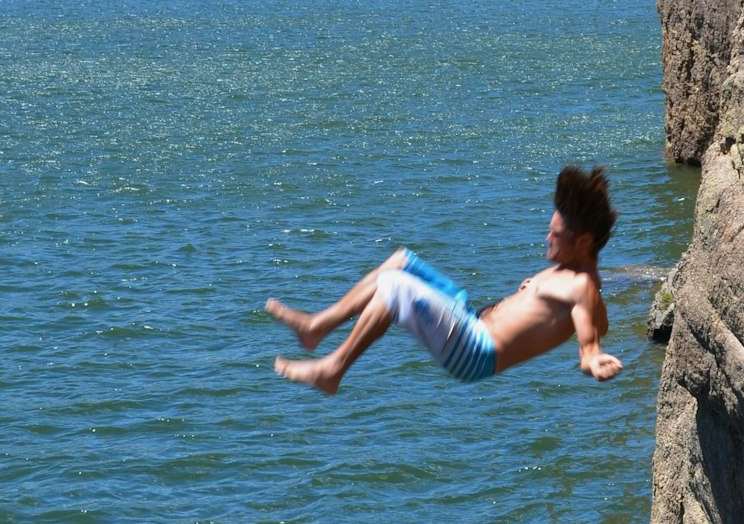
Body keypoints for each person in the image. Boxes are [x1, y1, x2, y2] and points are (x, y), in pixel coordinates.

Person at [266, 165, 622, 395]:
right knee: (399, 262)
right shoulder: (571, 278)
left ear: (583, 242)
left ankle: (333, 368)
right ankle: (318, 327)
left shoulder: (582, 287)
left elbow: (588, 338)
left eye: (555, 235)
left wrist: (591, 358)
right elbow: (594, 318)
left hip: (476, 351)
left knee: (394, 289)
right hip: (468, 318)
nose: (546, 239)